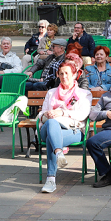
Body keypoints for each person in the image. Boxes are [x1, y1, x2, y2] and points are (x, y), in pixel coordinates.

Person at [37, 55, 93, 193]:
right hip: (48, 127)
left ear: (75, 75)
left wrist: (62, 113)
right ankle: (59, 152)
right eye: (61, 73)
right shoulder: (51, 93)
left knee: (52, 138)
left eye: (67, 73)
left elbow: (83, 115)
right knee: (51, 123)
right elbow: (41, 113)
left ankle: (51, 179)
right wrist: (46, 114)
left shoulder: (84, 94)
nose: (64, 76)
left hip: (73, 130)